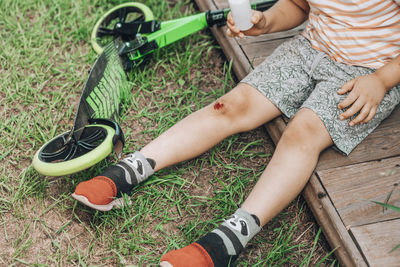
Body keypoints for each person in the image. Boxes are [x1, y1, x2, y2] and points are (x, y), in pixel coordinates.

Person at [72, 0, 400, 266]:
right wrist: (266, 22)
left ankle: (231, 238)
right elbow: (299, 6)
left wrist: (382, 81)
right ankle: (133, 167)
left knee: (304, 131)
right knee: (232, 105)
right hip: (310, 48)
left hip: (369, 71)